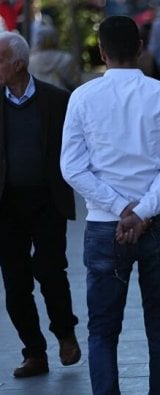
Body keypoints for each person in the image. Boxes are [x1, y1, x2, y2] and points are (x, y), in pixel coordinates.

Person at [60, 16, 160, 394]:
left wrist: (120, 209)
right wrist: (143, 211)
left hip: (104, 225)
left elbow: (72, 167)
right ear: (140, 48)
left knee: (102, 328)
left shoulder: (82, 98)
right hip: (159, 222)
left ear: (101, 51)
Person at [0, 30, 81, 379]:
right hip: (6, 205)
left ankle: (65, 333)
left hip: (47, 201)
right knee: (16, 282)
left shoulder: (57, 100)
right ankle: (34, 352)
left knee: (50, 272)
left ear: (18, 63)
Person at [28, 24, 81, 91]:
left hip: (38, 99)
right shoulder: (66, 59)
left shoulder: (30, 61)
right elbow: (77, 85)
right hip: (63, 98)